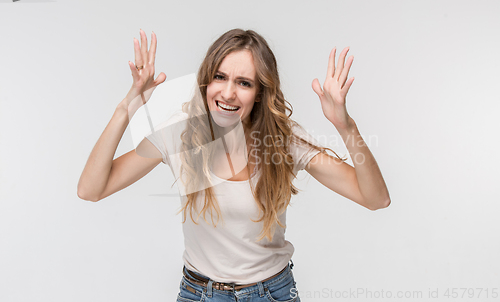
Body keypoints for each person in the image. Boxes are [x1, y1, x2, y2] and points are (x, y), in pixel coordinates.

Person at [77, 28, 390, 302]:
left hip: (272, 293)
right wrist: (127, 106)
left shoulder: (283, 140)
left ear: (259, 93)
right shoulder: (181, 133)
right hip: (199, 294)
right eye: (220, 77)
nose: (227, 93)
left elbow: (375, 198)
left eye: (244, 82)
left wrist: (345, 125)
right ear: (206, 80)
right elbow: (92, 189)